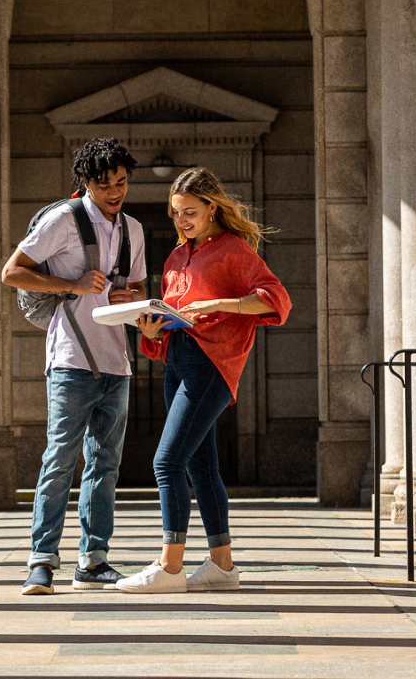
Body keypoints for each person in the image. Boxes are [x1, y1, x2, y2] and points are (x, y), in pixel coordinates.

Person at [116, 167, 290, 593]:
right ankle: (223, 566)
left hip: (212, 365)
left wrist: (221, 302)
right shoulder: (177, 257)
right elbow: (169, 325)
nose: (181, 221)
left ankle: (170, 567)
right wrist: (153, 331)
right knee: (200, 465)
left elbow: (276, 299)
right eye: (176, 213)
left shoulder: (234, 249)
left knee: (166, 461)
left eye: (189, 212)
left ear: (212, 207)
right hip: (177, 362)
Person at [0, 138, 146, 595]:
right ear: (85, 182)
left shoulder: (134, 229)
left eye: (121, 182)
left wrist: (129, 297)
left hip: (116, 361)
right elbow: (12, 271)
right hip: (69, 359)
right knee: (59, 460)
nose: (115, 192)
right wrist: (73, 283)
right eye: (105, 185)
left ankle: (94, 560)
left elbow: (138, 287)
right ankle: (41, 561)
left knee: (105, 464)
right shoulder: (63, 219)